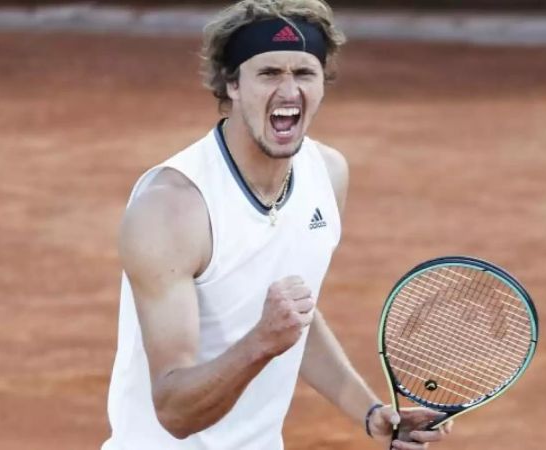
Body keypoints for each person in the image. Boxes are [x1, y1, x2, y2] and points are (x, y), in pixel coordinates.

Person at [102, 1, 453, 449]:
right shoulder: (172, 209)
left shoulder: (327, 174)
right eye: (269, 73)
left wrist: (370, 413)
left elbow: (295, 322)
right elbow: (174, 410)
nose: (289, 91)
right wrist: (262, 342)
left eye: (304, 73)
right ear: (231, 83)